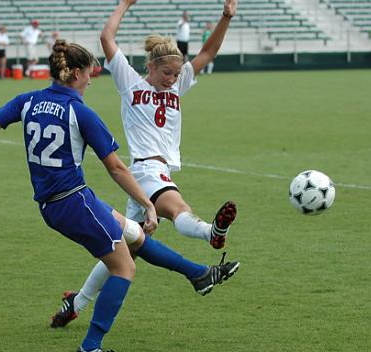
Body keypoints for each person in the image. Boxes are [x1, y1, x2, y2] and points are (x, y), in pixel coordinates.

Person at [0, 39, 239, 352]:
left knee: (134, 235)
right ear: (75, 73)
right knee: (124, 268)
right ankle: (89, 348)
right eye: (89, 74)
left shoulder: (28, 100)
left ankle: (199, 274)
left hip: (60, 201)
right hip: (72, 202)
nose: (92, 80)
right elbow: (117, 168)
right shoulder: (81, 113)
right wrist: (148, 204)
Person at [50, 0, 239, 328]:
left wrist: (225, 17)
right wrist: (124, 4)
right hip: (146, 169)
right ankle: (212, 232)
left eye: (176, 74)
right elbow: (107, 39)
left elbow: (207, 54)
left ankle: (76, 303)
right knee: (177, 207)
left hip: (157, 171)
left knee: (122, 248)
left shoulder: (178, 84)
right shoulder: (131, 83)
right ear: (150, 66)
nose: (171, 79)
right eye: (166, 72)